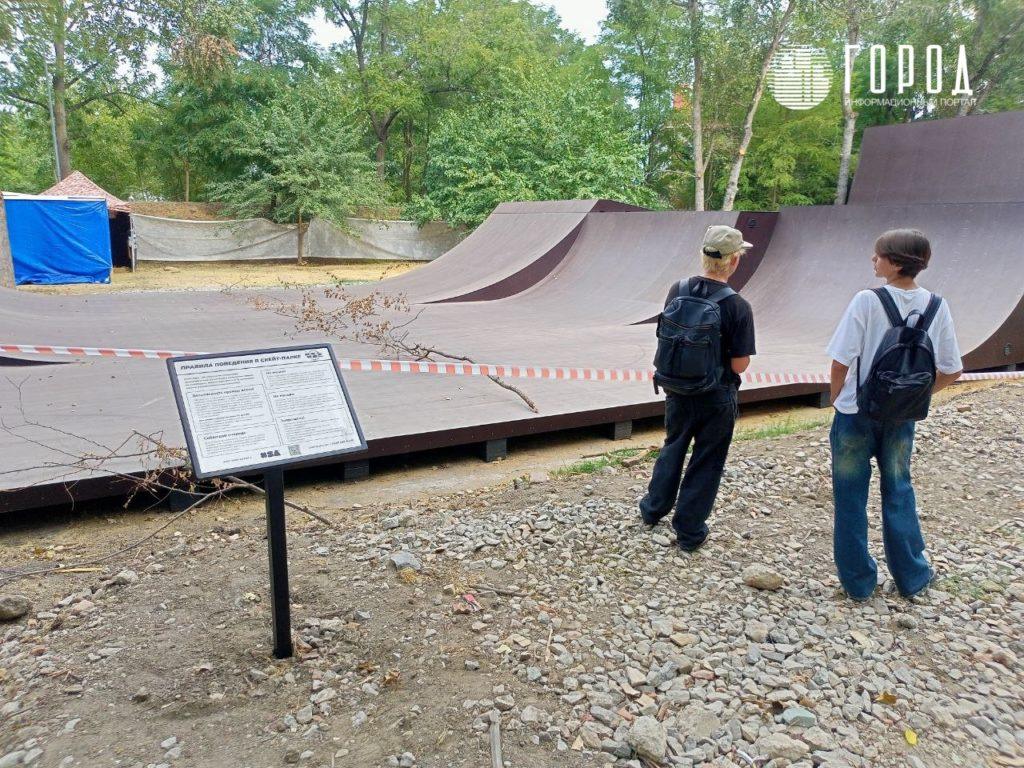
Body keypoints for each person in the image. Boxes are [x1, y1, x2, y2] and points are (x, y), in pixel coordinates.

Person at [826, 229, 962, 601]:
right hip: (901, 419)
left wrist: (839, 400)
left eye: (878, 255)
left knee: (850, 496)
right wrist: (916, 397)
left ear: (896, 261)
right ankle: (912, 576)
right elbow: (951, 369)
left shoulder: (866, 301)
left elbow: (840, 361)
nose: (873, 260)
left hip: (855, 414)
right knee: (899, 489)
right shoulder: (937, 305)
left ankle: (858, 583)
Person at [640, 225, 756, 551]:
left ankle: (652, 510)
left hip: (677, 390)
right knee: (707, 459)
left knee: (673, 446)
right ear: (734, 262)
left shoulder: (678, 289)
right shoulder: (737, 306)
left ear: (703, 256)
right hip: (716, 396)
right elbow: (739, 365)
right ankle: (689, 532)